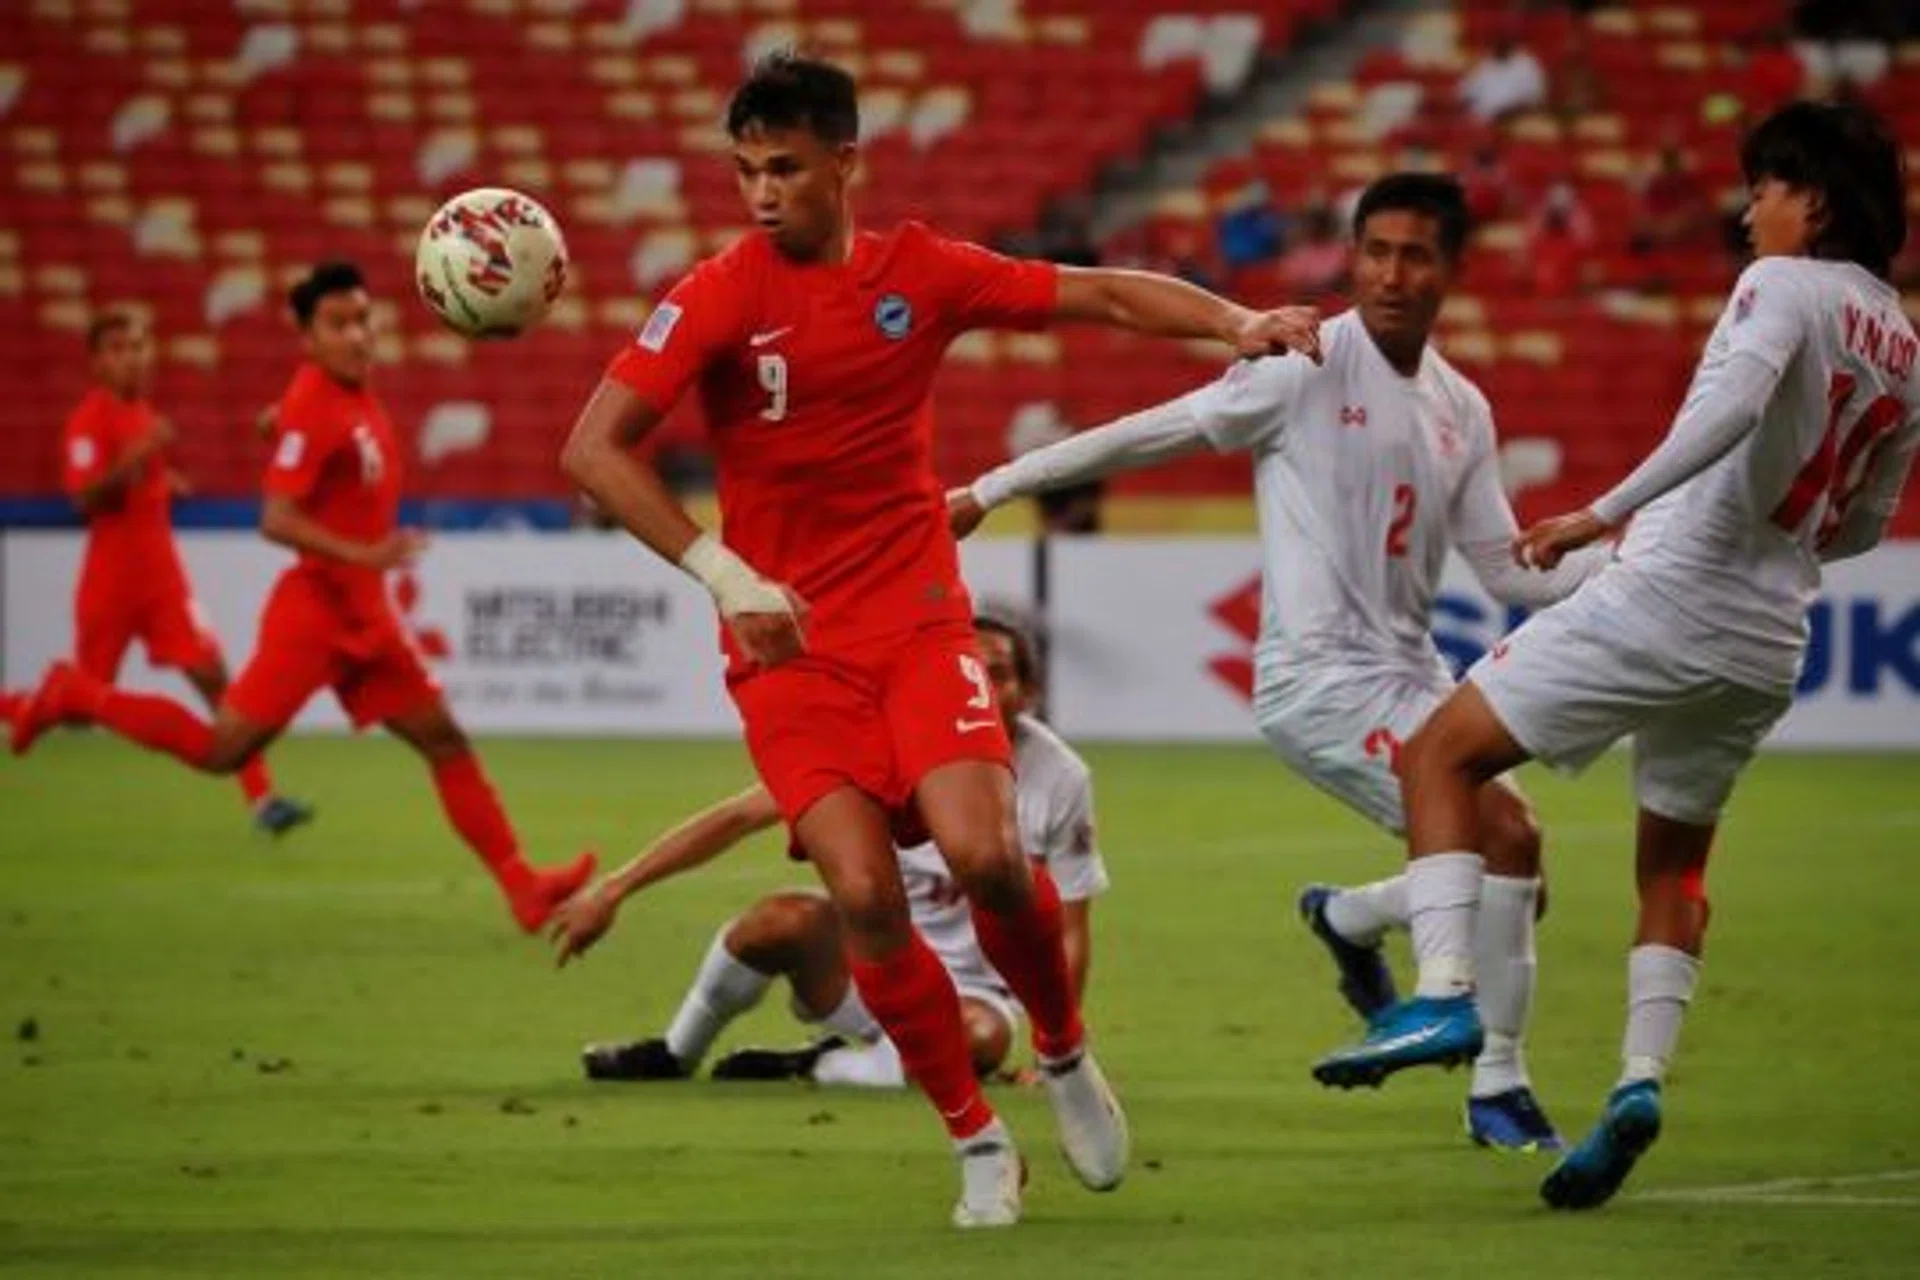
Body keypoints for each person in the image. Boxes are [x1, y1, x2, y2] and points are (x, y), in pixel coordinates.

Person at [555, 51, 1319, 1229]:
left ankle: (1062, 1050)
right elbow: (593, 450)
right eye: (746, 170)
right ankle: (974, 1136)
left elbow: (1102, 293)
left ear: (845, 163)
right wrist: (725, 574)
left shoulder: (920, 271)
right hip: (785, 644)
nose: (763, 193)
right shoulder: (714, 293)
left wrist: (1236, 321)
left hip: (914, 618)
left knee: (988, 854)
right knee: (862, 890)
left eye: (787, 168)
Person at [1314, 101, 1919, 1209]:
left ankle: (1446, 987)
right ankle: (1638, 1078)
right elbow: (1867, 522)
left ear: (1815, 199)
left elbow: (1735, 405)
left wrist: (1605, 511)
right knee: (1676, 868)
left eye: (1765, 189)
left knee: (1438, 755)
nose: (1749, 212)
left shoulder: (1782, 287)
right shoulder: (1905, 340)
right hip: (1770, 635)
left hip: (1671, 591)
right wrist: (1781, 535)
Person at [951, 173, 1611, 1152]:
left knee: (1521, 866)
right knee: (1503, 835)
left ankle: (1352, 918)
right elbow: (1155, 430)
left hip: (1412, 670)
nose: (1390, 273)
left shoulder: (1461, 407)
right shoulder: (1303, 363)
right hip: (1318, 679)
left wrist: (1637, 564)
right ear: (1351, 255)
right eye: (1374, 250)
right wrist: (996, 484)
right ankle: (1497, 1084)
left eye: (1415, 254)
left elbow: (1503, 571)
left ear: (1453, 270)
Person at [9, 262, 596, 933]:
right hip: (315, 614)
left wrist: (282, 426)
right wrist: (362, 552)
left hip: (368, 616)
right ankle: (75, 695)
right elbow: (276, 518)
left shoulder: (339, 397)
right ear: (309, 338)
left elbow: (307, 440)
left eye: (363, 320)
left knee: (445, 741)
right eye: (338, 324)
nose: (357, 336)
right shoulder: (319, 403)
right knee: (221, 748)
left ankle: (522, 887)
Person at [550, 615, 1107, 1091]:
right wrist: (614, 889)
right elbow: (737, 817)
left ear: (1029, 691)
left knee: (968, 1039)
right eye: (970, 672)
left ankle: (818, 1065)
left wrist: (1056, 1055)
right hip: (876, 964)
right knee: (775, 922)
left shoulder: (1060, 777)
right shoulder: (885, 743)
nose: (982, 687)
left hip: (981, 1001)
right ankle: (675, 1053)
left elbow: (1071, 928)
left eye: (1000, 674)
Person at [2, 313, 312, 833]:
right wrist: (139, 455)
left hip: (164, 580)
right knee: (84, 708)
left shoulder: (141, 411)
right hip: (111, 583)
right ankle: (23, 707)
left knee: (214, 679)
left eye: (139, 346)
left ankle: (262, 800)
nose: (133, 357)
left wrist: (162, 479)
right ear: (97, 361)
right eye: (119, 348)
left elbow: (133, 484)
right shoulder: (89, 421)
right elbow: (86, 498)